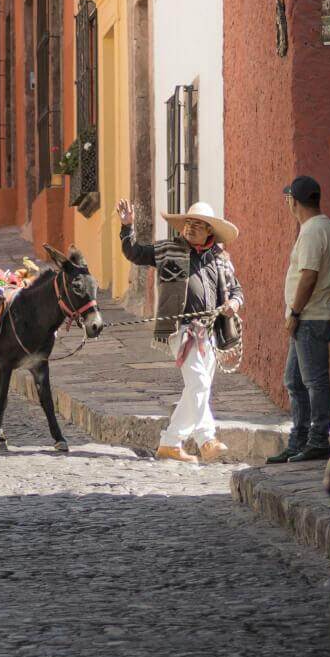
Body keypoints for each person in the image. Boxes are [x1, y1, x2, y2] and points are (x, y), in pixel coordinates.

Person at [117, 198, 243, 464]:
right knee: (198, 383)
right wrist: (127, 227)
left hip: (209, 331)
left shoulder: (221, 259)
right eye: (188, 223)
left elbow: (236, 290)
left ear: (210, 231)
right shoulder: (167, 250)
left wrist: (233, 303)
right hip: (180, 330)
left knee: (197, 388)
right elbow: (134, 253)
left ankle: (170, 443)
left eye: (198, 225)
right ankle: (206, 439)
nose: (190, 228)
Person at [268, 176, 330, 465]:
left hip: (309, 317)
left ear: (294, 201)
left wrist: (295, 312)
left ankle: (318, 440)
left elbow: (309, 275)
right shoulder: (327, 227)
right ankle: (298, 441)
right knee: (295, 381)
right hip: (313, 315)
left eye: (288, 198)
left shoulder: (312, 231)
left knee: (313, 381)